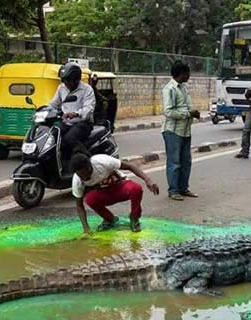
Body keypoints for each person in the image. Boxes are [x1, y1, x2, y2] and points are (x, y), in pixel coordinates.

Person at [71, 150, 159, 234]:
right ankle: (109, 219)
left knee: (136, 189)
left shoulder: (102, 161)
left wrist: (148, 180)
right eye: (81, 176)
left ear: (90, 165)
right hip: (104, 194)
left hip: (119, 187)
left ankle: (134, 218)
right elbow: (79, 205)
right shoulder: (77, 180)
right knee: (89, 199)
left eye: (87, 174)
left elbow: (129, 166)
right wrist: (86, 228)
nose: (85, 177)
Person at [162, 61, 201, 201]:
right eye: (187, 72)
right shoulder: (170, 89)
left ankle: (183, 188)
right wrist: (188, 114)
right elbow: (168, 111)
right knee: (174, 162)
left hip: (185, 130)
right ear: (181, 73)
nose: (189, 75)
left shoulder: (183, 88)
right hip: (172, 131)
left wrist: (192, 113)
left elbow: (184, 107)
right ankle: (173, 190)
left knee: (186, 161)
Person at [48, 63, 96, 170]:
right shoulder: (61, 88)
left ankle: (86, 163)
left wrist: (76, 114)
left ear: (76, 80)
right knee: (51, 136)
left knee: (69, 139)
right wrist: (43, 110)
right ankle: (56, 165)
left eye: (68, 80)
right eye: (64, 80)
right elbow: (53, 103)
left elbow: (89, 109)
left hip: (83, 123)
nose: (65, 83)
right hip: (65, 122)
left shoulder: (87, 89)